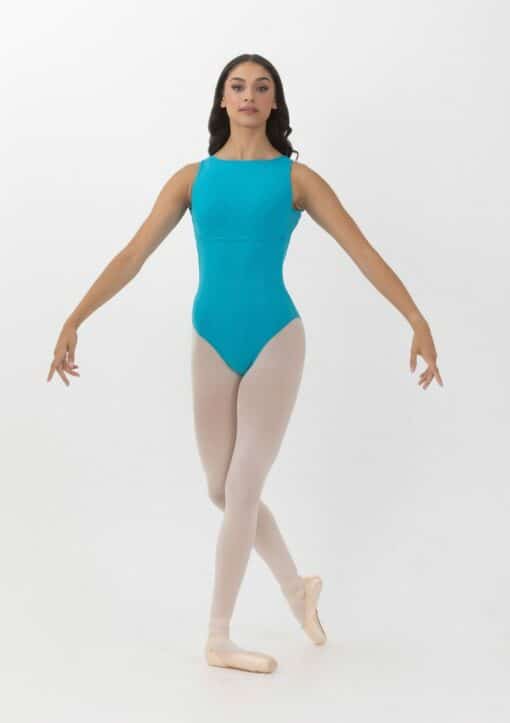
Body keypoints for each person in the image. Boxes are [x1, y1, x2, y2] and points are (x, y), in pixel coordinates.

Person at [47, 53, 443, 675]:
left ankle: (219, 636)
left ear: (275, 101)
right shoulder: (191, 179)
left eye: (262, 87)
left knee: (241, 487)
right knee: (221, 488)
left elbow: (361, 250)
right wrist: (76, 318)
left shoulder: (297, 180)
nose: (250, 95)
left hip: (275, 339)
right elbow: (132, 255)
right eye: (238, 86)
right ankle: (297, 588)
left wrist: (415, 318)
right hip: (210, 338)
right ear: (222, 99)